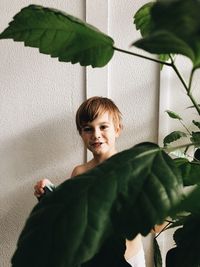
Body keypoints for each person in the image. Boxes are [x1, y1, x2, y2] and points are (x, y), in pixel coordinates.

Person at [34, 96, 146, 267]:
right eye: (88, 129)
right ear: (81, 134)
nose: (96, 135)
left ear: (117, 129)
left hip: (129, 258)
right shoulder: (80, 173)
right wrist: (48, 194)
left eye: (103, 127)